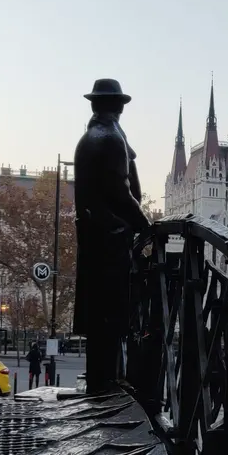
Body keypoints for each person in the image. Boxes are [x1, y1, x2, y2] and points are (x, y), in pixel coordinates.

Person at [73, 79, 151, 395]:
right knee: (109, 313)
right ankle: (104, 382)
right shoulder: (108, 139)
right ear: (117, 106)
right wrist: (144, 225)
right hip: (110, 238)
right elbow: (121, 192)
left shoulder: (95, 136)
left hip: (98, 237)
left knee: (101, 314)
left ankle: (102, 378)